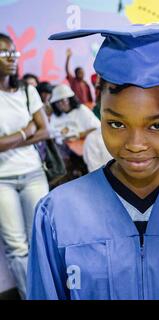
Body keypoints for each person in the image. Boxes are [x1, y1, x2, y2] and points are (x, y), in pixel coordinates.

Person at [27, 23, 159, 300]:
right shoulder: (56, 212)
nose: (135, 145)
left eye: (157, 126)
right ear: (99, 114)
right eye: (116, 123)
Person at [0, 33, 50, 298]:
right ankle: (29, 294)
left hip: (32, 174)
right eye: (4, 53)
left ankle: (48, 292)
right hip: (2, 181)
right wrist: (25, 132)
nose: (11, 58)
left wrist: (19, 136)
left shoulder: (27, 90)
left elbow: (45, 131)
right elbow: (34, 129)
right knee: (17, 247)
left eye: (13, 52)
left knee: (42, 240)